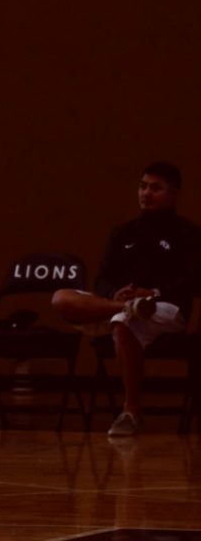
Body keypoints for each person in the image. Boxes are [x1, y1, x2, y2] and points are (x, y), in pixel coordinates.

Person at [51, 162, 201, 436]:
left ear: (173, 194)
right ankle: (125, 306)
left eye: (156, 188)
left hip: (166, 308)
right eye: (143, 186)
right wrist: (113, 294)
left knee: (122, 321)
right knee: (61, 298)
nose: (146, 193)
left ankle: (131, 412)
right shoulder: (122, 233)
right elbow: (102, 278)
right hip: (117, 305)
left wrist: (154, 293)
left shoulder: (188, 235)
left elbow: (192, 281)